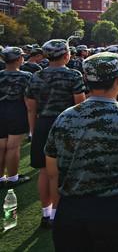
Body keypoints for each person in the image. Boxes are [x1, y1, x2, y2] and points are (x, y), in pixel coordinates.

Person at [45, 52, 118, 251]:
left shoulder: (64, 117)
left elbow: (53, 172)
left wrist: (58, 206)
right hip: (116, 210)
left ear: (86, 79)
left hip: (72, 208)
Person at [25, 39, 86, 229]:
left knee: (44, 171)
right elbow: (80, 106)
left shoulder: (36, 76)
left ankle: (47, 213)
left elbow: (30, 108)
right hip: (68, 126)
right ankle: (60, 213)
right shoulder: (73, 76)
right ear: (66, 55)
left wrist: (34, 131)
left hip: (43, 124)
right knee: (67, 171)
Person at [0, 47, 32, 187]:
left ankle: (0, 178)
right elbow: (28, 101)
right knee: (13, 147)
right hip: (17, 111)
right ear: (19, 59)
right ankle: (13, 178)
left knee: (1, 146)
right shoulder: (26, 76)